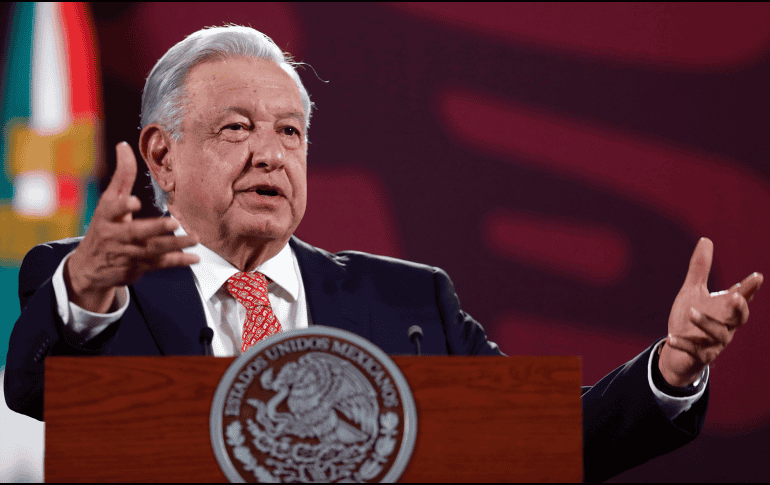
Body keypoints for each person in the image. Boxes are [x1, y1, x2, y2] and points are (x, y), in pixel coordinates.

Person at [4, 26, 762, 482]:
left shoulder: (410, 303)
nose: (271, 155)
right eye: (237, 128)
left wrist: (671, 368)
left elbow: (540, 441)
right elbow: (36, 387)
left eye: (290, 133)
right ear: (162, 157)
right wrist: (88, 289)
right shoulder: (93, 287)